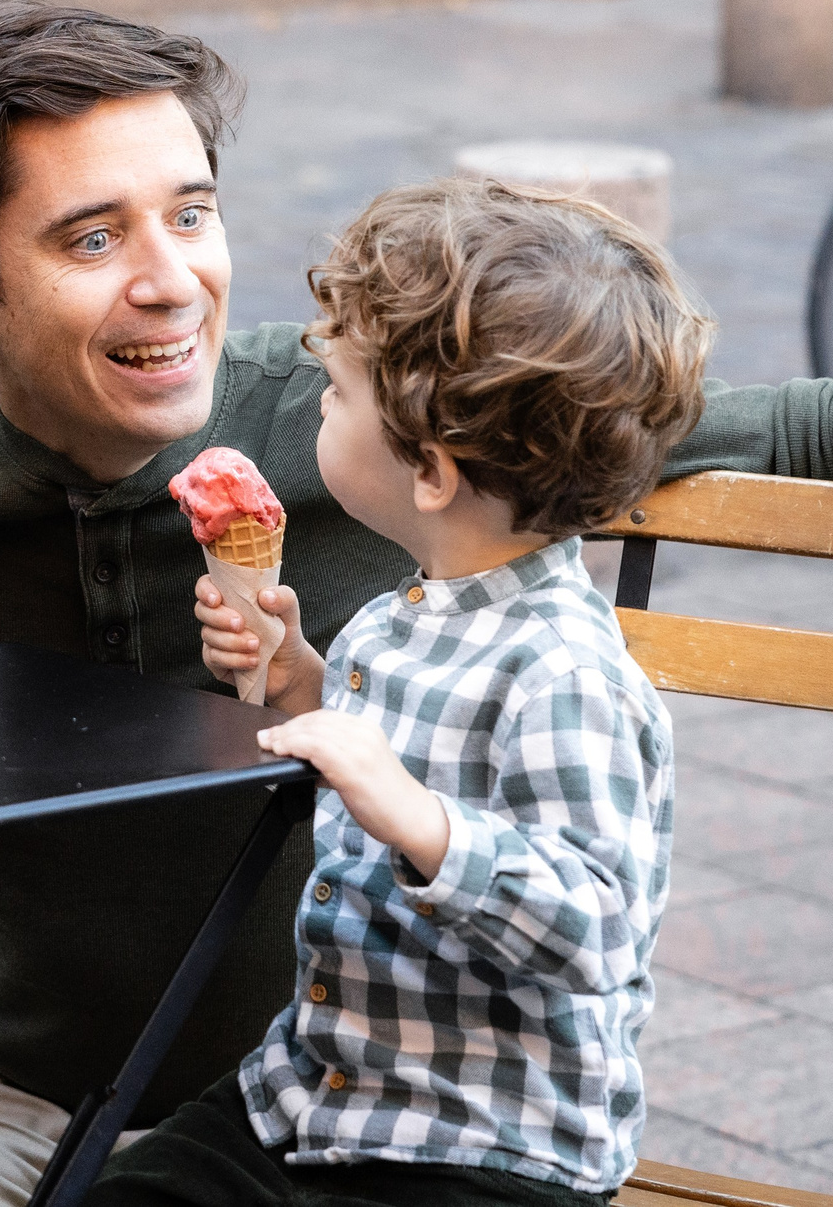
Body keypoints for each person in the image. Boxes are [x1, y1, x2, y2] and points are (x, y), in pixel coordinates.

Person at [0, 2, 833, 1207]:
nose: (172, 279)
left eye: (193, 210)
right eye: (93, 236)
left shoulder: (382, 422)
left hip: (380, 1091)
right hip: (35, 1077)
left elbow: (812, 414)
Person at [86, 177, 706, 1207]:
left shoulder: (566, 674)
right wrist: (298, 684)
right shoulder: (395, 616)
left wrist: (422, 822)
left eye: (336, 392)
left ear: (430, 469)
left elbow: (595, 932)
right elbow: (380, 749)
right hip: (312, 1094)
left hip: (481, 1148)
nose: (317, 407)